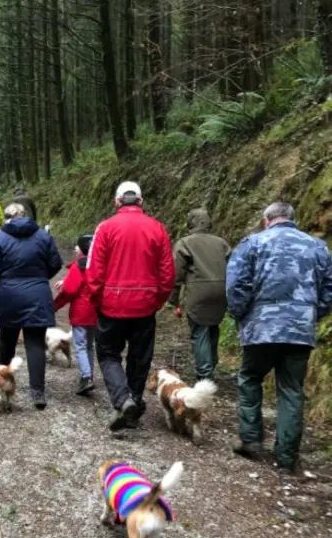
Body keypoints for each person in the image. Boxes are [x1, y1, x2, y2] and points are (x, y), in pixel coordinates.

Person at [226, 201, 332, 472]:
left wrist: (240, 314)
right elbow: (328, 290)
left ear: (266, 220)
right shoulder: (317, 248)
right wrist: (310, 314)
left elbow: (237, 284)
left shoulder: (252, 244)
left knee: (250, 378)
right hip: (299, 330)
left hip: (261, 328)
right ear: (292, 219)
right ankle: (286, 457)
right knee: (292, 390)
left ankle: (250, 440)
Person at [87, 181, 175, 431]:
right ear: (140, 201)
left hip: (111, 305)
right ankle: (133, 401)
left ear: (117, 202)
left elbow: (94, 270)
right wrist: (157, 301)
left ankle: (123, 400)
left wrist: (97, 300)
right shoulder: (157, 229)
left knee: (107, 354)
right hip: (145, 307)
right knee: (140, 358)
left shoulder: (105, 228)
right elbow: (167, 273)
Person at [0, 203, 62, 409]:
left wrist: (5, 282)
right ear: (25, 216)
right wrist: (39, 278)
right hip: (37, 294)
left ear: (7, 217)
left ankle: (4, 382)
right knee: (35, 342)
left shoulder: (0, 237)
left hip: (9, 295)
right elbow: (56, 262)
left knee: (7, 340)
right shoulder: (42, 236)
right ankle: (37, 392)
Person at [170, 208, 230, 380]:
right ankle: (211, 363)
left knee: (199, 331)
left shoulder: (185, 243)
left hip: (199, 292)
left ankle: (205, 374)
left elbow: (177, 274)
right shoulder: (222, 243)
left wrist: (174, 301)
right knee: (213, 326)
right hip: (222, 291)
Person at [53, 233, 97, 395]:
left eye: (77, 246)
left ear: (81, 248)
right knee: (89, 345)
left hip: (81, 311)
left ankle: (86, 377)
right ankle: (89, 374)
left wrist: (54, 306)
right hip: (96, 311)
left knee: (80, 346)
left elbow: (70, 290)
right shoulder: (100, 263)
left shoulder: (79, 265)